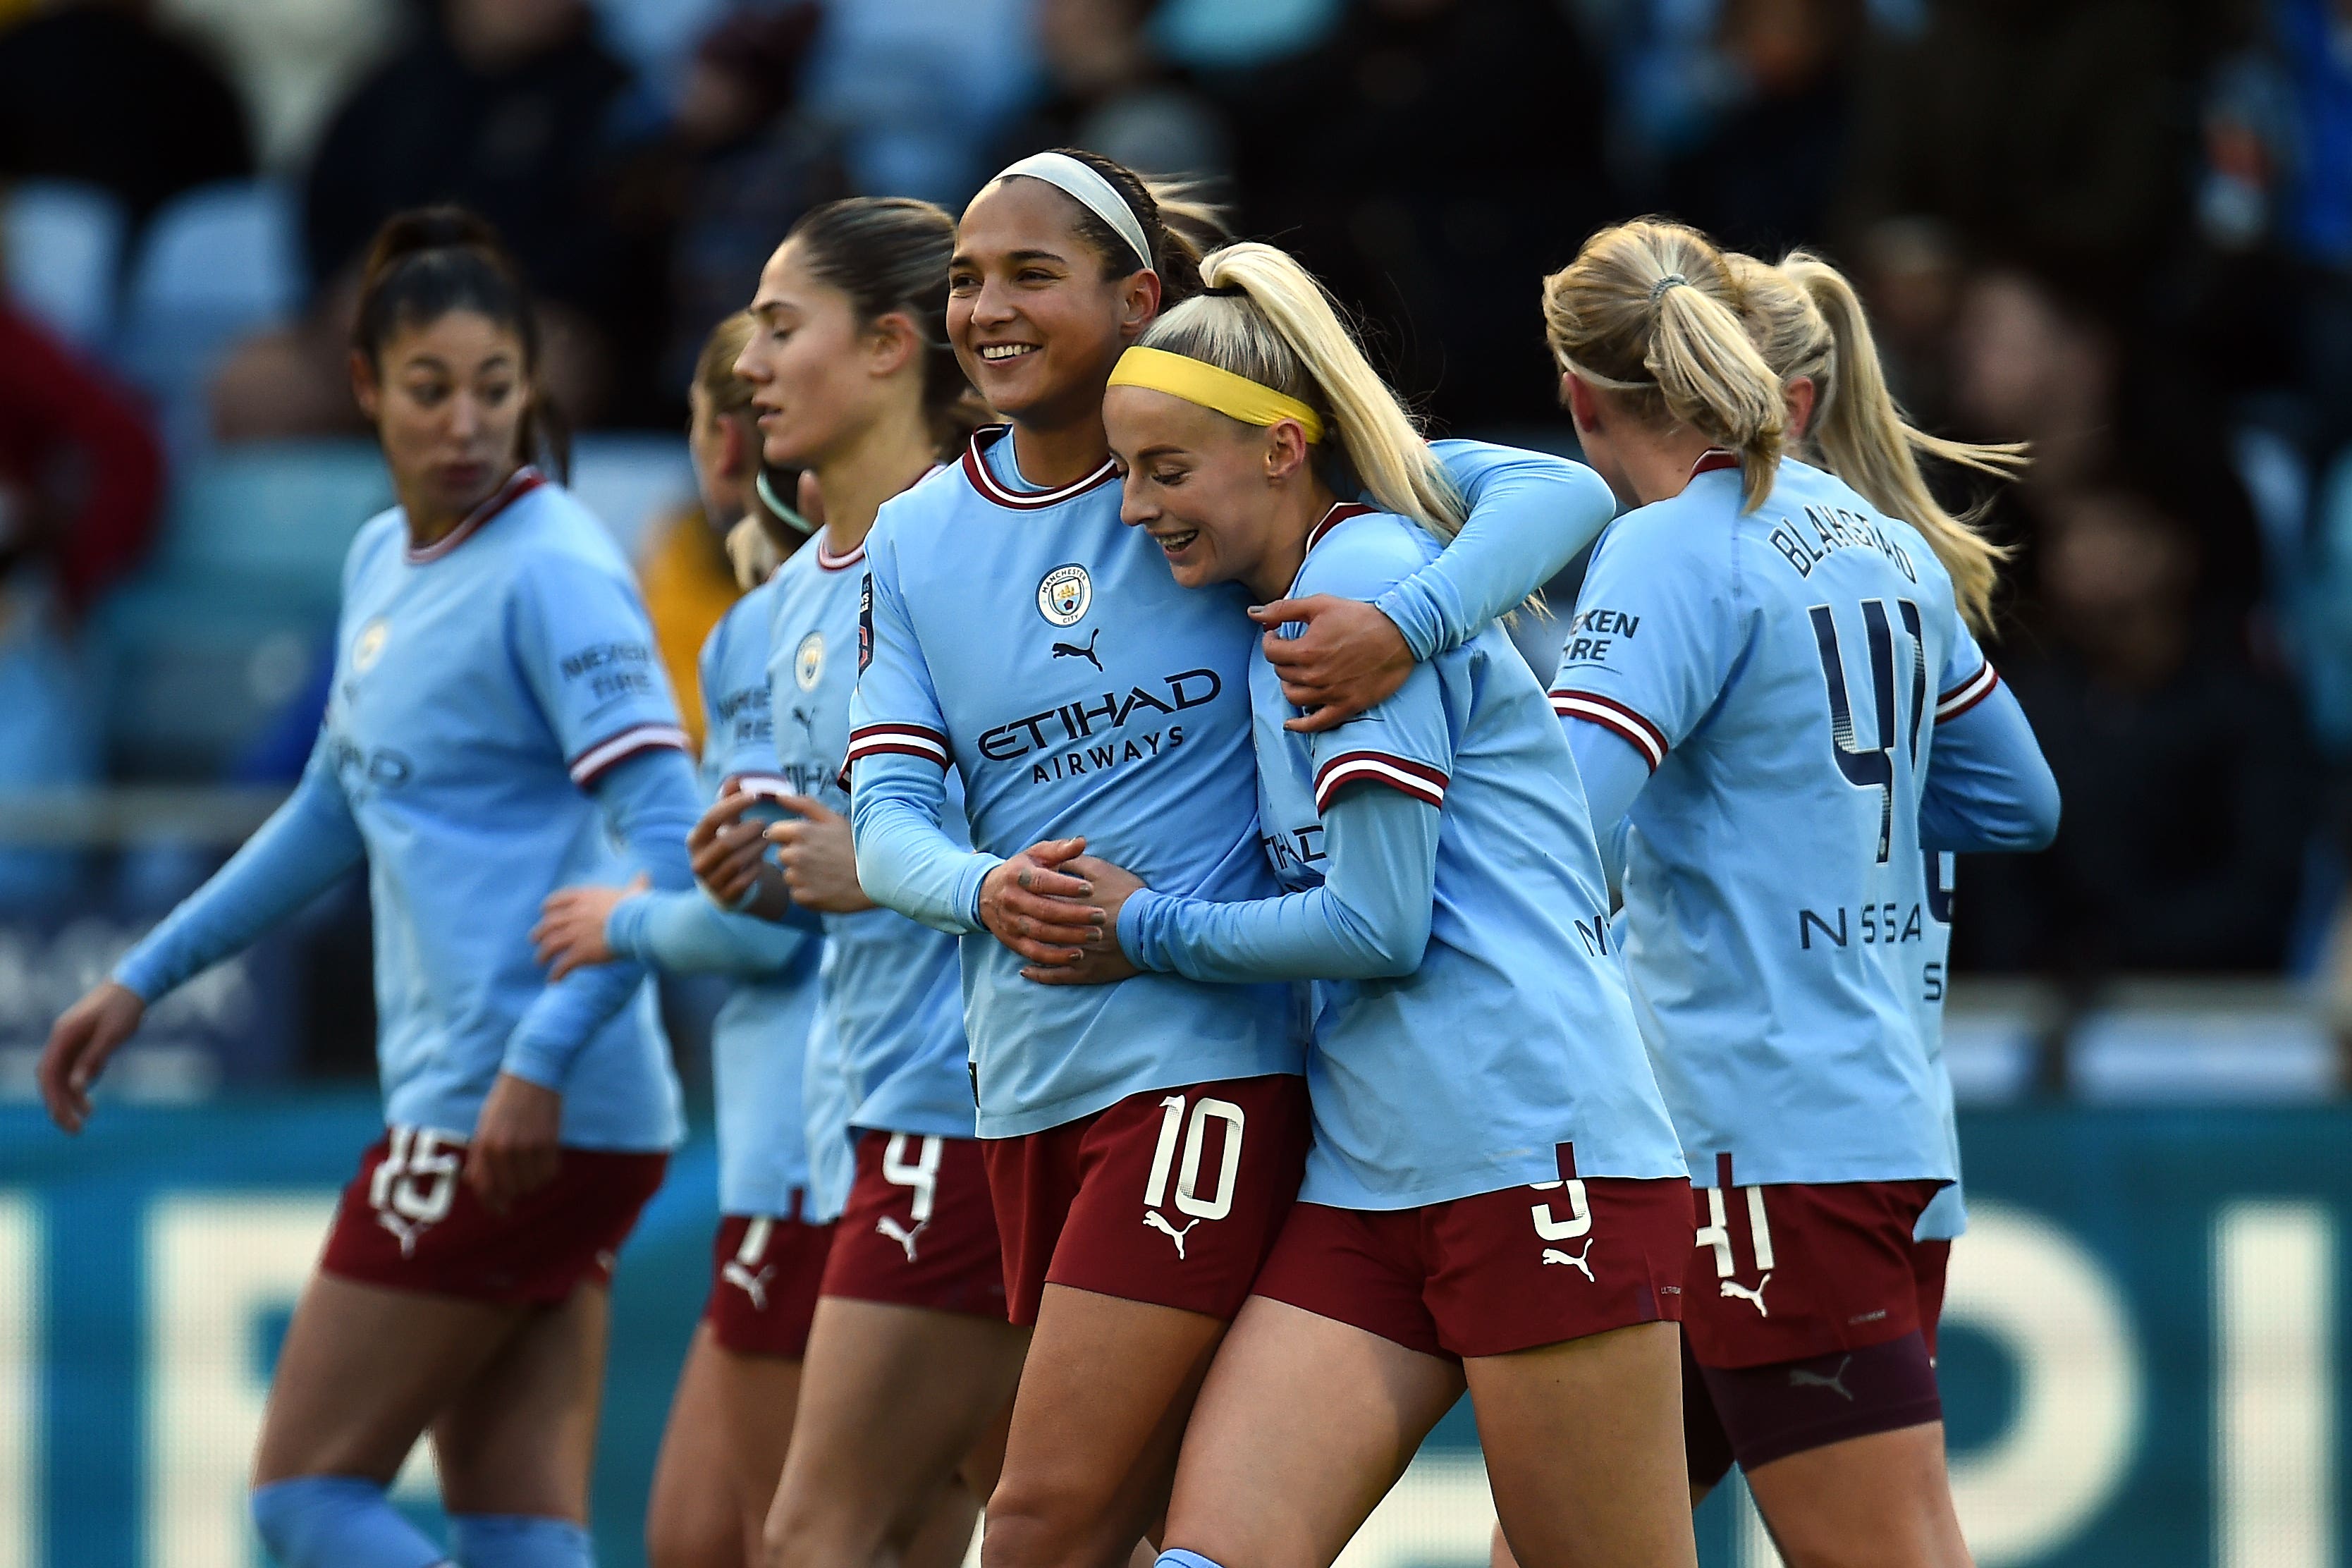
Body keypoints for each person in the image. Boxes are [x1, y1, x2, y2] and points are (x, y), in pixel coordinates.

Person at [845, 148, 1619, 1567]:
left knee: (1030, 1517)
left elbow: (1561, 502)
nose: (987, 308)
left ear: (1137, 296)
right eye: (964, 277)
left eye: (1031, 273)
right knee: (1118, 1525)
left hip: (1225, 1072)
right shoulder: (928, 536)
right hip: (1048, 1080)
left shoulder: (1272, 500)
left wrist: (1419, 621)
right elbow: (886, 810)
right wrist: (978, 887)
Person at [36, 207, 704, 1568]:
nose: (465, 422)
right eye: (430, 388)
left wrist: (537, 1056)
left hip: (519, 1104)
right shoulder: (380, 560)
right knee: (515, 1527)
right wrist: (142, 978)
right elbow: (329, 812)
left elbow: (670, 842)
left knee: (303, 1500)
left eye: (494, 390)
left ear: (532, 393)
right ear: (364, 388)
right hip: (520, 1105)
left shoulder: (560, 573)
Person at [1029, 237, 1697, 1568]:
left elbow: (1376, 929)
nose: (1135, 510)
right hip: (1375, 1177)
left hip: (1531, 1154)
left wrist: (1139, 928)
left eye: (1166, 472)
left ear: (1283, 449)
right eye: (1127, 474)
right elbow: (1546, 494)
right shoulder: (1315, 573)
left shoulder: (1351, 585)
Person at [1538, 219, 2057, 1567]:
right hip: (1874, 1123)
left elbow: (1560, 830)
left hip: (1751, 1146)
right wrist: (1827, 835)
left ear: (1579, 392)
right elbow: (2019, 802)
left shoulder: (1671, 548)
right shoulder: (1878, 541)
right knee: (1566, 1547)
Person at [687, 197, 1012, 1568]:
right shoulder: (793, 604)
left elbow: (1104, 824)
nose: (747, 364)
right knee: (958, 1530)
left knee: (813, 1535)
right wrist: (754, 872)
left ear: (890, 346)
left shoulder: (992, 548)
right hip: (868, 1116)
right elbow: (822, 875)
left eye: (778, 327)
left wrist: (867, 870)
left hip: (972, 1103)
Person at [530, 310, 831, 1568]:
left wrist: (625, 928)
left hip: (837, 1148)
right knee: (706, 1540)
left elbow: (768, 930)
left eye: (743, 412)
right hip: (794, 1148)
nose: (723, 446)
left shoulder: (803, 625)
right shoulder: (760, 621)